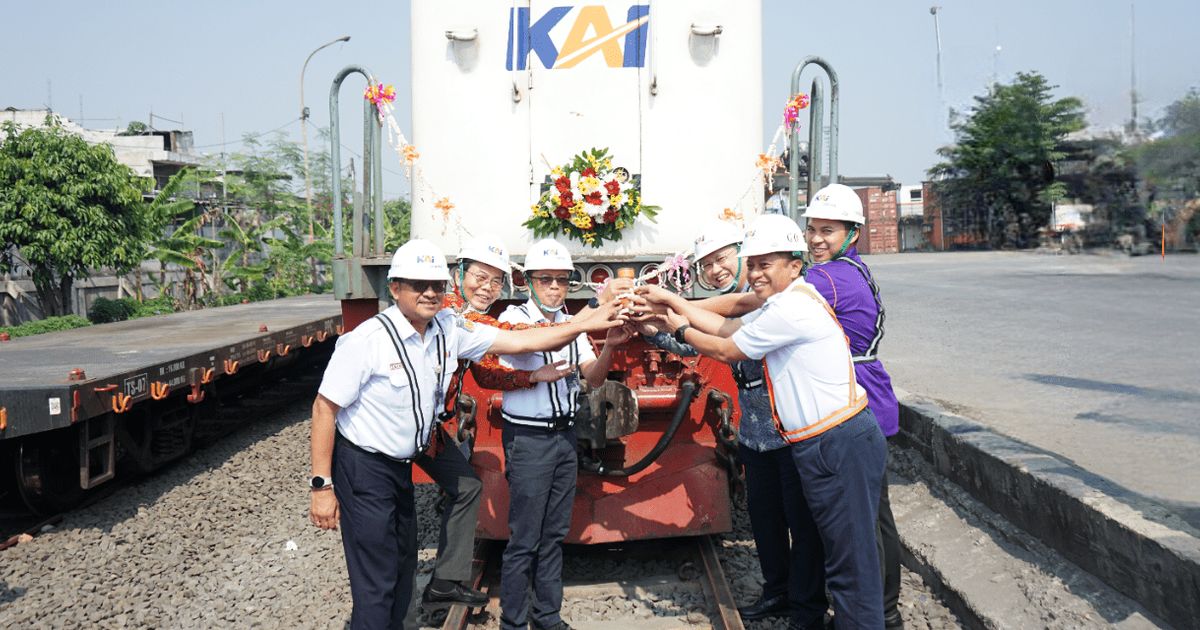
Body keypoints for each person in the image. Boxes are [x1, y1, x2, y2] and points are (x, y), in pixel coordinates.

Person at [308, 239, 623, 630]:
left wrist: (588, 323)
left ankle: (436, 591)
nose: (429, 294)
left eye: (436, 287)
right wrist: (322, 485)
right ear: (394, 289)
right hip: (366, 463)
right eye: (418, 285)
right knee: (378, 577)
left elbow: (519, 343)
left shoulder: (448, 327)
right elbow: (325, 408)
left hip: (413, 449)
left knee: (406, 558)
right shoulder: (369, 339)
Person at [641, 214, 887, 629]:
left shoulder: (790, 309)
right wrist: (670, 315)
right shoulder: (784, 302)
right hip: (819, 442)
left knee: (850, 565)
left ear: (794, 264)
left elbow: (728, 347)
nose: (754, 273)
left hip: (836, 441)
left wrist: (678, 323)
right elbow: (729, 324)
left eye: (764, 264)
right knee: (843, 556)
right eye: (752, 264)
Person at [416, 237, 574, 611]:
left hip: (427, 431)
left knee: (467, 486)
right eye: (479, 278)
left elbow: (487, 376)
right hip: (395, 431)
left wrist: (530, 379)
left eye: (495, 282)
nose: (487, 288)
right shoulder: (450, 312)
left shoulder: (467, 315)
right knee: (395, 520)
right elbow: (516, 338)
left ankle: (444, 583)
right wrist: (583, 322)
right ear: (458, 274)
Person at [496, 238, 631, 630]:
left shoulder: (572, 322)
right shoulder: (513, 319)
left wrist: (609, 348)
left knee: (554, 533)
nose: (554, 287)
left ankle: (548, 617)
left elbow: (592, 376)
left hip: (563, 438)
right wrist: (595, 309)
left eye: (562, 280)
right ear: (528, 282)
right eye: (545, 280)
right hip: (528, 439)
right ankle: (514, 622)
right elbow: (535, 338)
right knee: (525, 538)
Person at [802, 183, 904, 629]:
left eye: (828, 230)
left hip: (854, 397)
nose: (817, 239)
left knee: (862, 523)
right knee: (877, 516)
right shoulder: (851, 269)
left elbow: (768, 303)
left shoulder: (826, 278)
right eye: (812, 230)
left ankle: (879, 613)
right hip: (873, 396)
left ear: (852, 233)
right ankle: (888, 609)